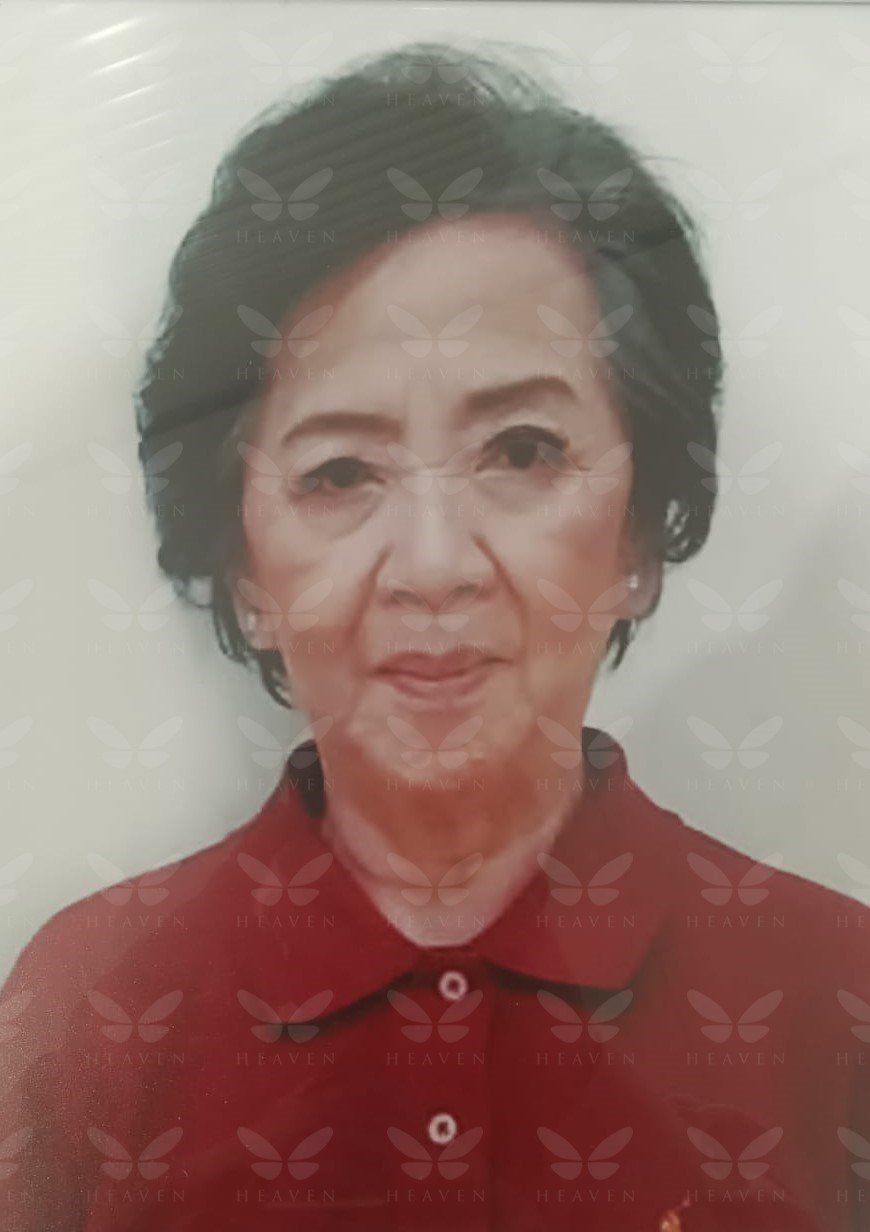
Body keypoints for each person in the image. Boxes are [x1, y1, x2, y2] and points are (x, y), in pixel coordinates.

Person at [1, 38, 866, 1232]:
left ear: (639, 536)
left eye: (523, 450)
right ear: (243, 570)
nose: (434, 562)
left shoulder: (834, 993)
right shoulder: (89, 1010)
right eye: (339, 470)